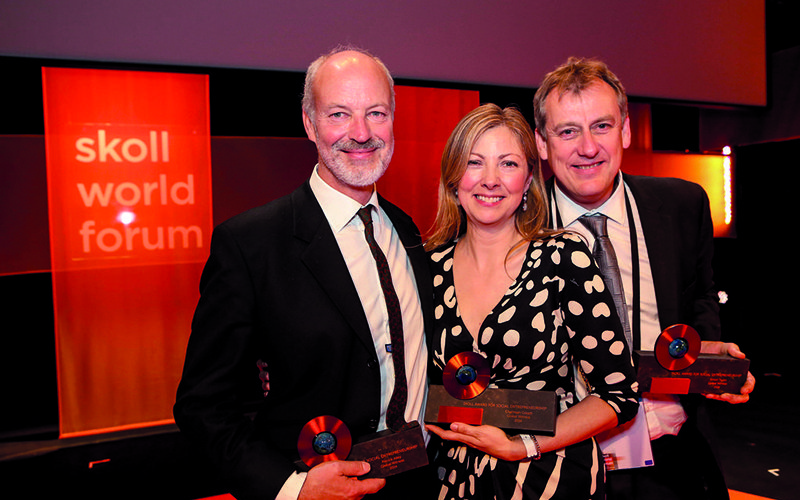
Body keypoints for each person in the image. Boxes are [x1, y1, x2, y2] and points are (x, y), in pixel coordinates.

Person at [173, 46, 435, 500]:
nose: (361, 133)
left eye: (376, 113)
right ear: (309, 123)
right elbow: (203, 405)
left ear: (393, 120)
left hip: (419, 483)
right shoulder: (251, 243)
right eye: (339, 114)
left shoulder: (407, 228)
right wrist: (291, 489)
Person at [532, 57, 756, 499]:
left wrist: (710, 361)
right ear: (542, 143)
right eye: (568, 131)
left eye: (601, 126)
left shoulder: (682, 205)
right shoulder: (516, 229)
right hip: (564, 465)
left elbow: (700, 301)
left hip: (673, 457)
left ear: (626, 131)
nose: (588, 147)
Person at [424, 103, 640, 499]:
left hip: (547, 476)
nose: (490, 180)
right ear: (454, 179)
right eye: (475, 162)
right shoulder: (427, 267)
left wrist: (522, 445)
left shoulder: (563, 257)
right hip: (449, 478)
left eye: (507, 164)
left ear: (527, 182)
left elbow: (618, 395)